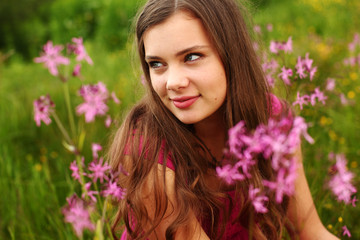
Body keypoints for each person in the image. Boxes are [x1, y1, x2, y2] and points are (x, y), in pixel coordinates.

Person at [108, 0, 339, 239]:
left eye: (191, 57)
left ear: (231, 54)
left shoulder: (272, 119)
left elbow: (311, 232)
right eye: (157, 64)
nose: (172, 82)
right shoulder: (147, 151)